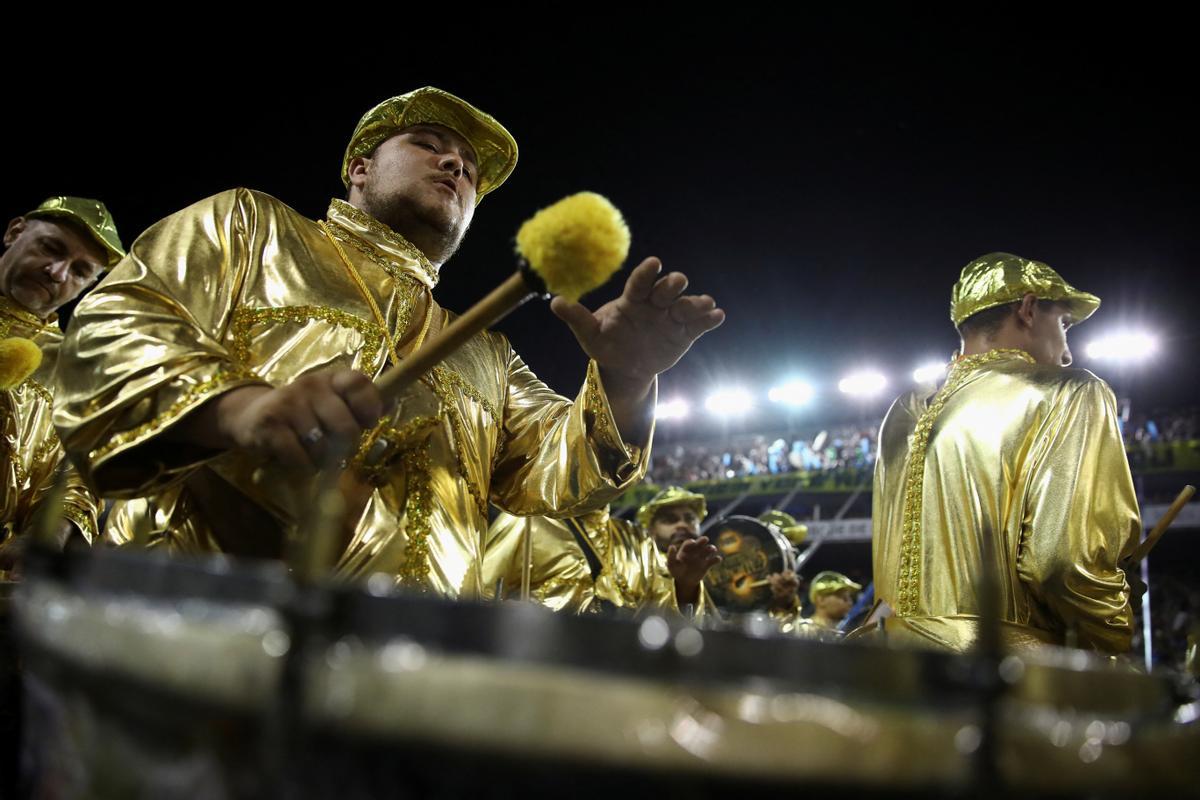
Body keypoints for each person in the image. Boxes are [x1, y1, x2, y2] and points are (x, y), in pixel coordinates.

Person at [53, 87, 724, 597]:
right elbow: (117, 322)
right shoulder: (250, 226)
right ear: (359, 167)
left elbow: (557, 480)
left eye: (469, 169)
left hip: (392, 679)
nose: (455, 162)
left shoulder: (486, 351)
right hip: (198, 623)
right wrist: (238, 408)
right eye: (429, 143)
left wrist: (627, 381)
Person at [869, 252, 1140, 652]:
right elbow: (1063, 565)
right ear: (1028, 309)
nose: (1067, 352)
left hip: (885, 664)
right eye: (1064, 324)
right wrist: (1114, 636)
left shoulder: (904, 408)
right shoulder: (1071, 391)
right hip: (1000, 673)